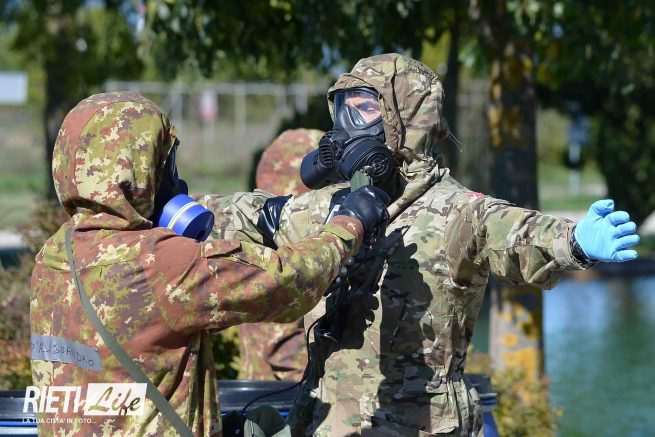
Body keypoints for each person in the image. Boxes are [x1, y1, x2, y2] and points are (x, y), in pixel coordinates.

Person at [201, 53, 640, 436]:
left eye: (365, 108)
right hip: (327, 423)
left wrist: (573, 242)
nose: (348, 125)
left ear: (405, 120)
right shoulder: (330, 207)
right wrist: (177, 206)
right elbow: (256, 215)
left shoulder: (459, 213)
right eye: (343, 108)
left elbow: (517, 233)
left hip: (423, 425)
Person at [29, 92, 390, 436]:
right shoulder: (160, 264)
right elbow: (288, 282)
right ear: (137, 172)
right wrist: (347, 224)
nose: (177, 182)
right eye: (166, 165)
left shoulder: (52, 256)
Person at [239, 129, 324, 381]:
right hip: (287, 397)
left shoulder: (257, 245)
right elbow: (283, 350)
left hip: (266, 393)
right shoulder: (286, 259)